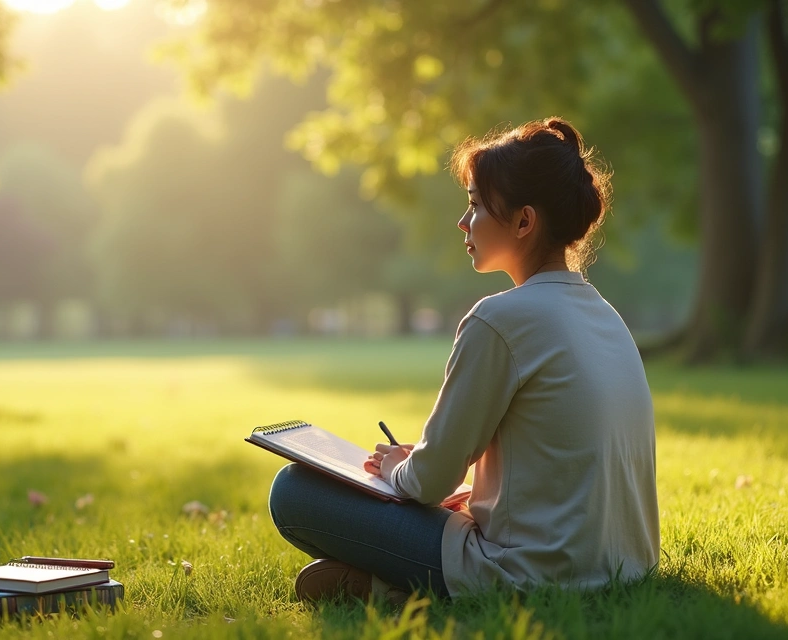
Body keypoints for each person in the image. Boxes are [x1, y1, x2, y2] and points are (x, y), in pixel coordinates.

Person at [267, 117, 660, 603]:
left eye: (475, 205)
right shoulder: (605, 315)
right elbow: (551, 460)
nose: (463, 221)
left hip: (530, 573)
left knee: (293, 491)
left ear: (523, 221)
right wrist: (426, 464)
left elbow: (430, 483)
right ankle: (388, 587)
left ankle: (404, 591)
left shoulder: (500, 319)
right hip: (623, 566)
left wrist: (396, 469)